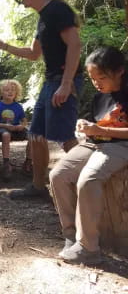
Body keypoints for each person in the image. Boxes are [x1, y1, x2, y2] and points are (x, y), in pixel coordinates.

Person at [0, 0, 82, 199]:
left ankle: (91, 184)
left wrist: (67, 84)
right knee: (36, 134)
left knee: (65, 136)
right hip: (51, 82)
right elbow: (33, 53)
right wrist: (4, 46)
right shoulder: (43, 17)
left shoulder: (58, 10)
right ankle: (39, 188)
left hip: (63, 80)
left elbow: (75, 45)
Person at [49, 47, 128, 265]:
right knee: (58, 175)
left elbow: (107, 130)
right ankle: (71, 236)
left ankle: (89, 247)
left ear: (120, 71)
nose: (97, 83)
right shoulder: (99, 97)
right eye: (93, 78)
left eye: (101, 77)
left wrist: (102, 131)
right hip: (94, 144)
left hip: (121, 145)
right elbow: (92, 122)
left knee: (88, 180)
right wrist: (83, 126)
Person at [0, 79, 30, 181]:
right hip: (2, 130)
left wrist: (21, 126)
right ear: (1, 93)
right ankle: (6, 164)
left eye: (13, 90)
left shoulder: (18, 106)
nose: (10, 92)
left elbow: (24, 121)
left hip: (16, 129)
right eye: (7, 90)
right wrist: (6, 126)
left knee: (33, 136)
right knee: (6, 135)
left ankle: (28, 162)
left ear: (17, 92)